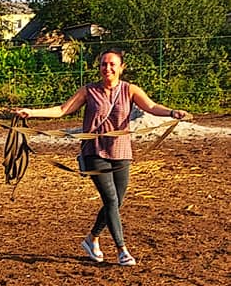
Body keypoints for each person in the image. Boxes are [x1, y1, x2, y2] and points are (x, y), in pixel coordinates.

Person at [16, 49, 191, 267]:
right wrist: (32, 112)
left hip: (121, 151)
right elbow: (61, 110)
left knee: (117, 201)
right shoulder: (89, 91)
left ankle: (92, 239)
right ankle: (122, 250)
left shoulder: (129, 90)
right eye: (103, 64)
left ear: (121, 67)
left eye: (112, 64)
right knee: (111, 200)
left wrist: (173, 112)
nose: (107, 68)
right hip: (95, 151)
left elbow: (152, 107)